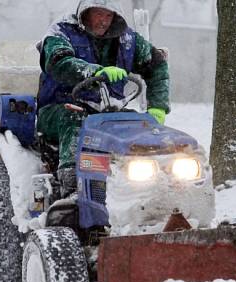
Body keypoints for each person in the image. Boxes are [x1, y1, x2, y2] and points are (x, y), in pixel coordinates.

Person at [37, 0, 170, 196]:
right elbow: (59, 62)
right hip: (58, 108)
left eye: (108, 16)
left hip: (107, 112)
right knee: (75, 119)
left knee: (139, 125)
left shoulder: (128, 41)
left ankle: (153, 186)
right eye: (99, 14)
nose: (103, 21)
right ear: (85, 12)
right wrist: (94, 71)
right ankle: (73, 186)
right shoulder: (60, 33)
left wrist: (158, 106)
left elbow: (157, 65)